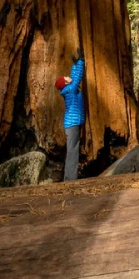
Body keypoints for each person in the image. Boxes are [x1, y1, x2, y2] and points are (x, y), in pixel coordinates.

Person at [56, 51, 85, 181]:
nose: (67, 76)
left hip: (72, 123)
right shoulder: (70, 90)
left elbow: (73, 78)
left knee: (73, 149)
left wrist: (74, 64)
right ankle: (70, 179)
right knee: (73, 150)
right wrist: (81, 62)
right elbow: (77, 78)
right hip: (72, 124)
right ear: (65, 83)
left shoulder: (68, 89)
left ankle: (70, 177)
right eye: (65, 78)